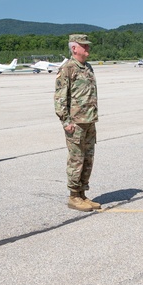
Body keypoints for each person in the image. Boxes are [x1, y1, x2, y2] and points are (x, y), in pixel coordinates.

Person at [54, 34, 100, 211]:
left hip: (89, 121)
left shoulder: (87, 68)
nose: (88, 48)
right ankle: (74, 196)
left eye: (88, 45)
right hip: (76, 123)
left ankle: (82, 193)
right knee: (76, 159)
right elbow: (60, 98)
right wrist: (66, 121)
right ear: (74, 48)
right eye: (84, 46)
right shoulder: (67, 69)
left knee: (88, 159)